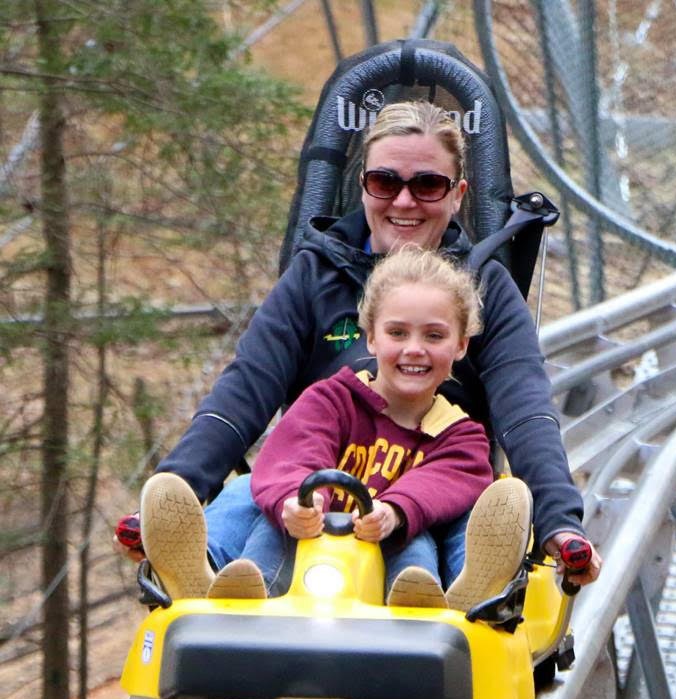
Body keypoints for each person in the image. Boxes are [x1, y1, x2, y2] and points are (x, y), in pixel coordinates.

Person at [120, 100, 601, 599]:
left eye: (428, 185)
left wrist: (559, 523)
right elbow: (244, 393)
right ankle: (201, 573)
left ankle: (463, 597)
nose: (405, 202)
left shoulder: (485, 288)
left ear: (457, 195)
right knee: (248, 491)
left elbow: (526, 412)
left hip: (427, 487)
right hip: (314, 485)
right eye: (386, 182)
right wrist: (180, 486)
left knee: (470, 510)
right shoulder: (313, 278)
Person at [142, 248, 533, 609]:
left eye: (434, 336)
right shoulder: (332, 399)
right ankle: (225, 587)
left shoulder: (458, 433)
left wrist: (396, 510)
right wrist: (297, 502)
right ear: (372, 339)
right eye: (397, 333)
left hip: (382, 566)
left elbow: (451, 478)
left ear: (461, 346)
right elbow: (296, 452)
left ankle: (444, 605)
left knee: (417, 539)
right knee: (270, 518)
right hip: (307, 552)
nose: (415, 349)